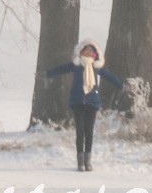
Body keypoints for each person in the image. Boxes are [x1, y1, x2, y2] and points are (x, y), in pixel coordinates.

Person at [45, 41, 125, 170]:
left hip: (92, 103)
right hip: (78, 102)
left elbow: (109, 77)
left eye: (91, 51)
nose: (88, 52)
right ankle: (80, 162)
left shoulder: (96, 68)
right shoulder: (76, 66)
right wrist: (48, 73)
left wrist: (120, 85)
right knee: (80, 132)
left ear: (95, 54)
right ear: (80, 52)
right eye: (85, 50)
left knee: (89, 132)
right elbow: (61, 69)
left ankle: (88, 161)